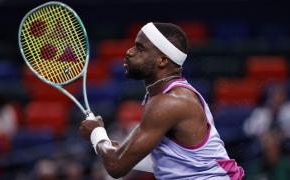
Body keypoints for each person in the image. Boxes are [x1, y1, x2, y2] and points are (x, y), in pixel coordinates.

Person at [80, 22, 244, 179]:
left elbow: (116, 167)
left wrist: (97, 134)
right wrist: (117, 151)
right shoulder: (171, 96)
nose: (129, 52)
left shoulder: (169, 103)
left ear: (163, 60)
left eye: (140, 48)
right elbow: (179, 162)